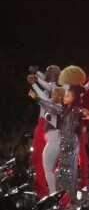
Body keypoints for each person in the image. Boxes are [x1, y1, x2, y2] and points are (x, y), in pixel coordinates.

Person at [36, 65, 87, 206]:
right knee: (66, 171)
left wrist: (36, 89)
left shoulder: (75, 109)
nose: (65, 96)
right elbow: (52, 104)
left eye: (67, 95)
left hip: (69, 141)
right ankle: (67, 198)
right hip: (66, 141)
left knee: (66, 171)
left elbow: (52, 102)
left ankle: (67, 199)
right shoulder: (67, 108)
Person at [26, 65, 61, 198]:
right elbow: (45, 81)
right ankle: (51, 189)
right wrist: (37, 76)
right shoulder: (55, 87)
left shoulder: (54, 88)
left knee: (39, 159)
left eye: (47, 72)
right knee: (49, 162)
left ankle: (43, 190)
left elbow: (46, 89)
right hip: (51, 127)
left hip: (45, 126)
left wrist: (35, 83)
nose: (44, 73)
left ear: (53, 75)